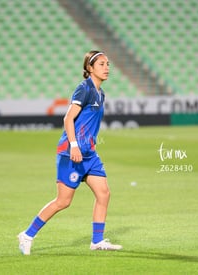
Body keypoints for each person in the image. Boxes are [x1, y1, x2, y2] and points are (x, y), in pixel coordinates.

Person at [18, 50, 122, 255]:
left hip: (89, 154)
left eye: (108, 64)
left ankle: (97, 241)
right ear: (90, 68)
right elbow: (67, 119)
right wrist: (74, 145)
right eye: (101, 64)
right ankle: (27, 235)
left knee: (104, 193)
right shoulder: (84, 89)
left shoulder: (100, 93)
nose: (107, 67)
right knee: (63, 201)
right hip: (71, 152)